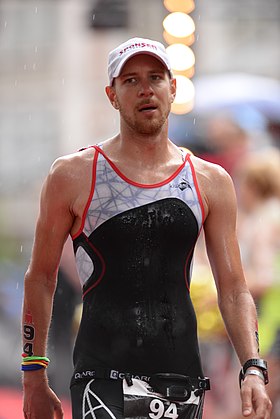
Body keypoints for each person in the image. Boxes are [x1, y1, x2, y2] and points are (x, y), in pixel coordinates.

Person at [21, 37, 272, 419]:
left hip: (182, 379)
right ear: (112, 94)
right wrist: (33, 374)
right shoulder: (73, 175)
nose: (145, 90)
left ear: (172, 88)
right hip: (100, 378)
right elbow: (40, 278)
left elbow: (234, 288)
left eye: (155, 78)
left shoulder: (210, 180)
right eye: (131, 81)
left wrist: (253, 367)